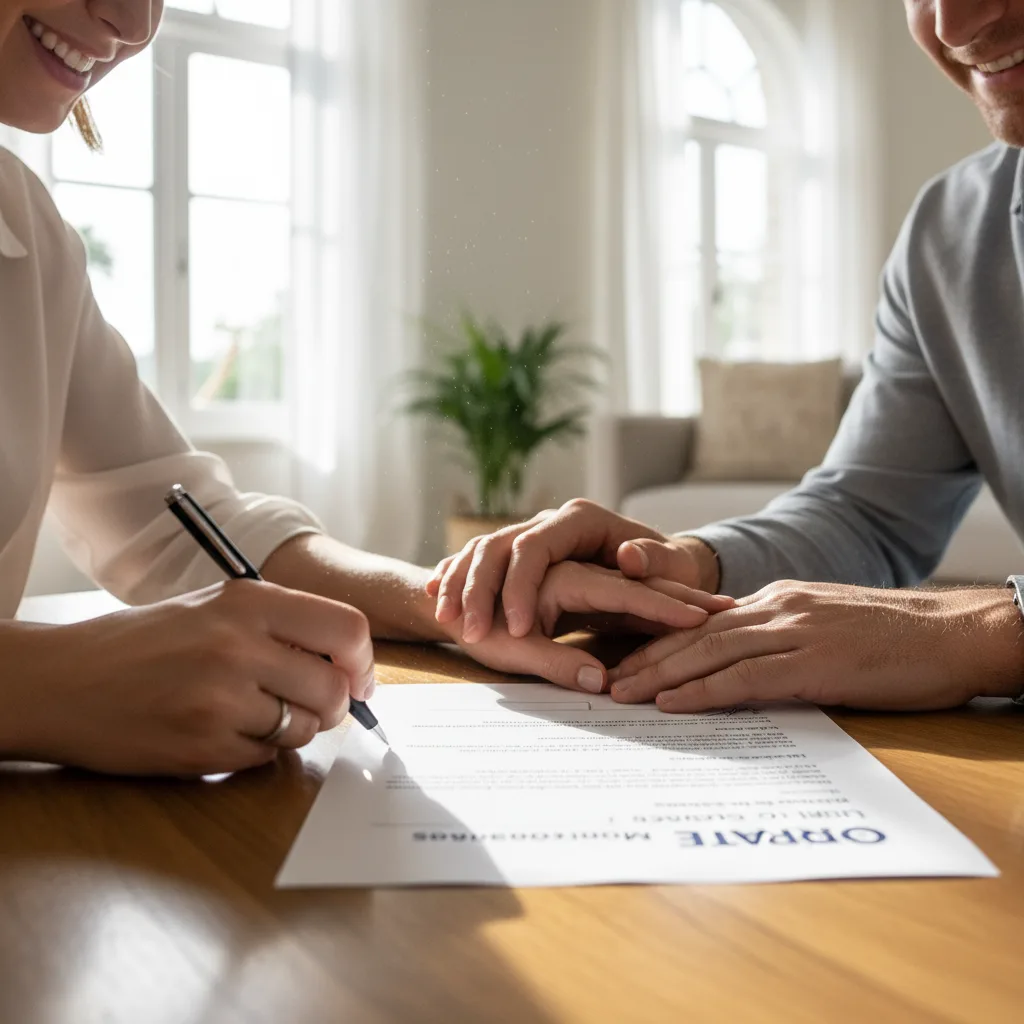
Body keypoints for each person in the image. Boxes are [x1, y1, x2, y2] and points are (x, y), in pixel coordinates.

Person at [0, 0, 733, 776]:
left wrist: (458, 604)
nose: (134, 20)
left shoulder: (29, 232)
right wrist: (50, 683)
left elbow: (178, 523)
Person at [429, 0, 1024, 715]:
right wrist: (677, 567)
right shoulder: (949, 235)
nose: (952, 25)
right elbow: (866, 514)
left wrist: (988, 633)